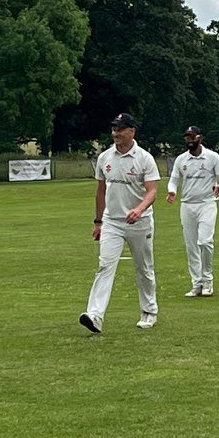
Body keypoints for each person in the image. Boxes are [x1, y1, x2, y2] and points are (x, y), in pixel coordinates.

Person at [79, 112, 160, 333]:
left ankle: (149, 311)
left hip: (139, 222)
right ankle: (95, 316)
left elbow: (152, 191)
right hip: (111, 222)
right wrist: (98, 222)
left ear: (132, 131)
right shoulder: (105, 157)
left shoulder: (144, 158)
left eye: (121, 129)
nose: (116, 133)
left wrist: (139, 209)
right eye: (114, 129)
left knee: (143, 268)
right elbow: (101, 191)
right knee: (105, 265)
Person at [167, 126, 219, 297]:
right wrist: (172, 191)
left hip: (207, 203)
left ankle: (208, 280)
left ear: (200, 138)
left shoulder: (212, 157)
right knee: (191, 246)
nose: (190, 141)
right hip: (187, 205)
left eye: (192, 137)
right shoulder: (181, 160)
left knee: (205, 242)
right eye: (187, 138)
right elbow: (173, 181)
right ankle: (197, 283)